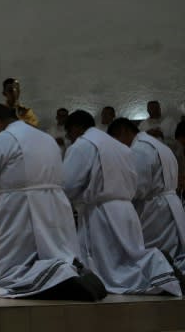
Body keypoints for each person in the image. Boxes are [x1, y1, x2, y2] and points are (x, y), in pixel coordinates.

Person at [0, 105, 106, 300]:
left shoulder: (2, 140)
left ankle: (59, 276)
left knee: (9, 272)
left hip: (17, 208)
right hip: (54, 206)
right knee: (52, 253)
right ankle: (65, 271)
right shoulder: (46, 139)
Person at [63, 110, 181, 295]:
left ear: (76, 128)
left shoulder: (84, 145)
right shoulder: (121, 146)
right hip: (126, 209)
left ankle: (158, 268)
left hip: (102, 211)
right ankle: (158, 269)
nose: (69, 138)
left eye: (68, 133)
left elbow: (68, 183)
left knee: (111, 266)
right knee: (128, 257)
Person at [107, 118, 185, 273]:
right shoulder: (156, 144)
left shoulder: (139, 149)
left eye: (116, 141)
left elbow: (138, 187)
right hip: (170, 203)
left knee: (154, 250)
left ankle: (163, 280)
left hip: (155, 207)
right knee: (172, 248)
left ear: (123, 132)